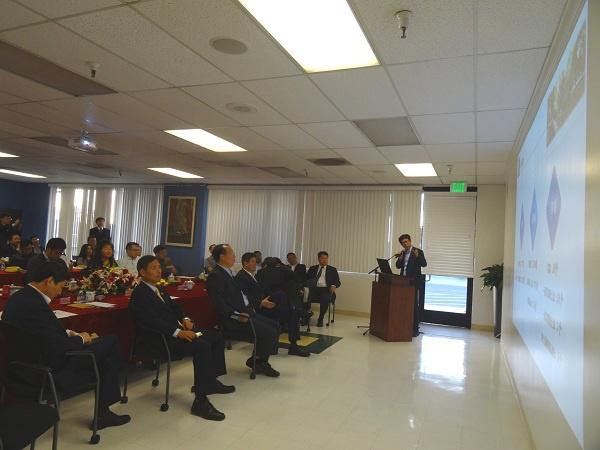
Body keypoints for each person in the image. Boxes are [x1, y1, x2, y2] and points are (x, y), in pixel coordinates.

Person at [1, 261, 130, 429]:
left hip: (20, 364)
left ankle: (104, 413)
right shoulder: (35, 305)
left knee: (105, 359)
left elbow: (40, 331)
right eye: (60, 286)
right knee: (111, 343)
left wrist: (68, 333)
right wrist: (81, 339)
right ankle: (104, 413)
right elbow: (57, 346)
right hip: (49, 368)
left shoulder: (20, 297)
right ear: (49, 281)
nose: (60, 292)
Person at [130, 255, 233, 421]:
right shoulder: (140, 294)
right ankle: (200, 401)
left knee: (215, 336)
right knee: (201, 346)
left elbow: (175, 306)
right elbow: (151, 322)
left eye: (159, 267)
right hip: (161, 339)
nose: (159, 271)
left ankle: (211, 381)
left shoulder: (159, 288)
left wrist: (185, 318)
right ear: (142, 272)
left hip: (175, 331)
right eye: (154, 268)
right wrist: (178, 332)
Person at [206, 244, 280, 377]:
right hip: (235, 318)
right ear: (222, 257)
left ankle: (257, 360)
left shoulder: (228, 272)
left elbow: (241, 296)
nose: (234, 256)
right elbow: (219, 304)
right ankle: (259, 362)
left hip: (245, 312)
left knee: (275, 325)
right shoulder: (216, 275)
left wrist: (257, 304)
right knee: (270, 332)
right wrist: (236, 315)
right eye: (231, 254)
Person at [236, 253, 309, 357]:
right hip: (256, 308)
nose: (255, 264)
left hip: (263, 303)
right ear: (245, 263)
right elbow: (244, 297)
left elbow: (261, 290)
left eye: (255, 262)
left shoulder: (254, 275)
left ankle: (295, 314)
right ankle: (294, 345)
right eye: (253, 261)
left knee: (286, 303)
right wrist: (261, 302)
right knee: (290, 308)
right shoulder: (241, 276)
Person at [395, 234, 427, 337]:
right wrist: (400, 258)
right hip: (403, 282)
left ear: (410, 241)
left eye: (406, 241)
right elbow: (398, 266)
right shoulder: (403, 253)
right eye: (403, 243)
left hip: (414, 282)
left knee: (413, 305)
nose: (405, 244)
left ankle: (414, 328)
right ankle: (403, 324)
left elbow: (424, 264)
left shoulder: (418, 251)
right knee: (403, 304)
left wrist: (417, 256)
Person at [306, 251, 341, 327]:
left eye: (326, 258)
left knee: (326, 298)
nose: (325, 260)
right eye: (322, 258)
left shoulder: (332, 269)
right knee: (305, 295)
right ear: (318, 259)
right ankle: (305, 316)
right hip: (314, 289)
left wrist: (334, 285)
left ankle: (321, 318)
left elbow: (338, 282)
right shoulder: (312, 268)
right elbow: (306, 280)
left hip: (326, 289)